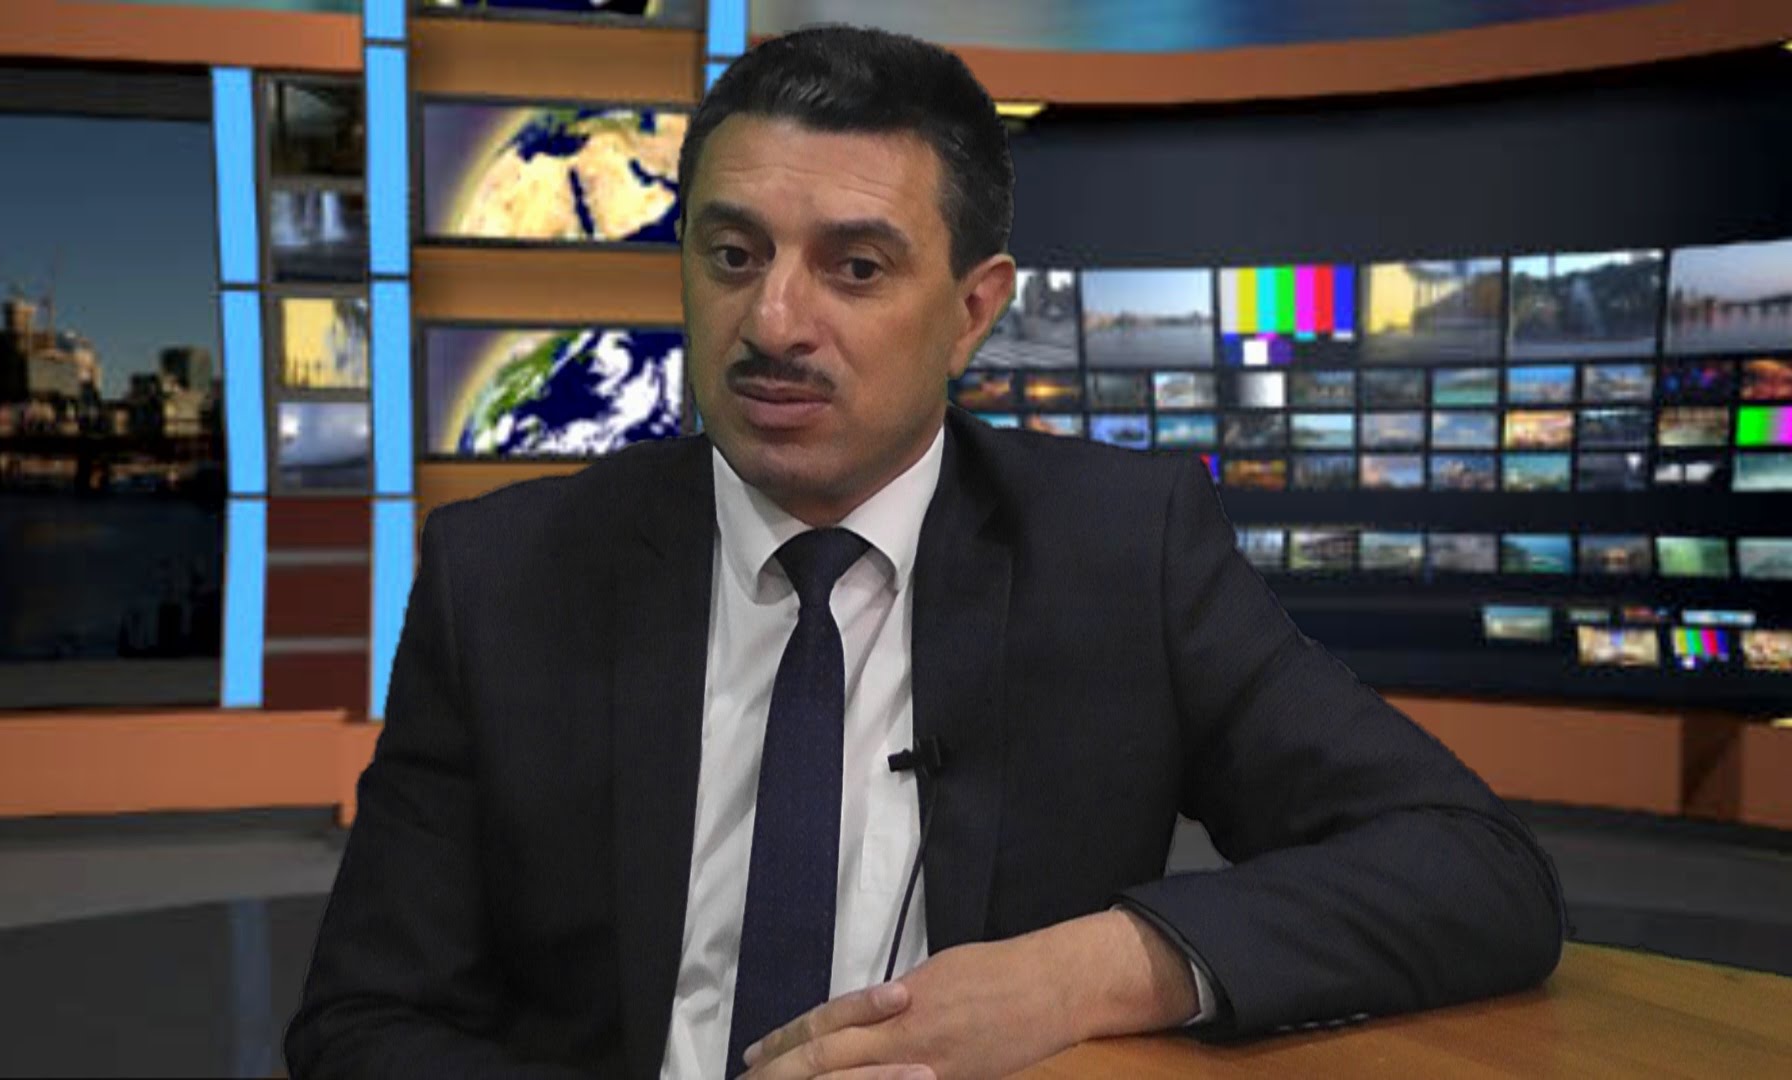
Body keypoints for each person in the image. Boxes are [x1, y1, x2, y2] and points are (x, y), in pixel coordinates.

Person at [286, 24, 1566, 1080]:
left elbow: (1477, 870)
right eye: (732, 256)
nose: (773, 321)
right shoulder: (502, 576)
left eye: (854, 268)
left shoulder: (1124, 553)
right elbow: (363, 1025)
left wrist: (1088, 972)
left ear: (972, 312)